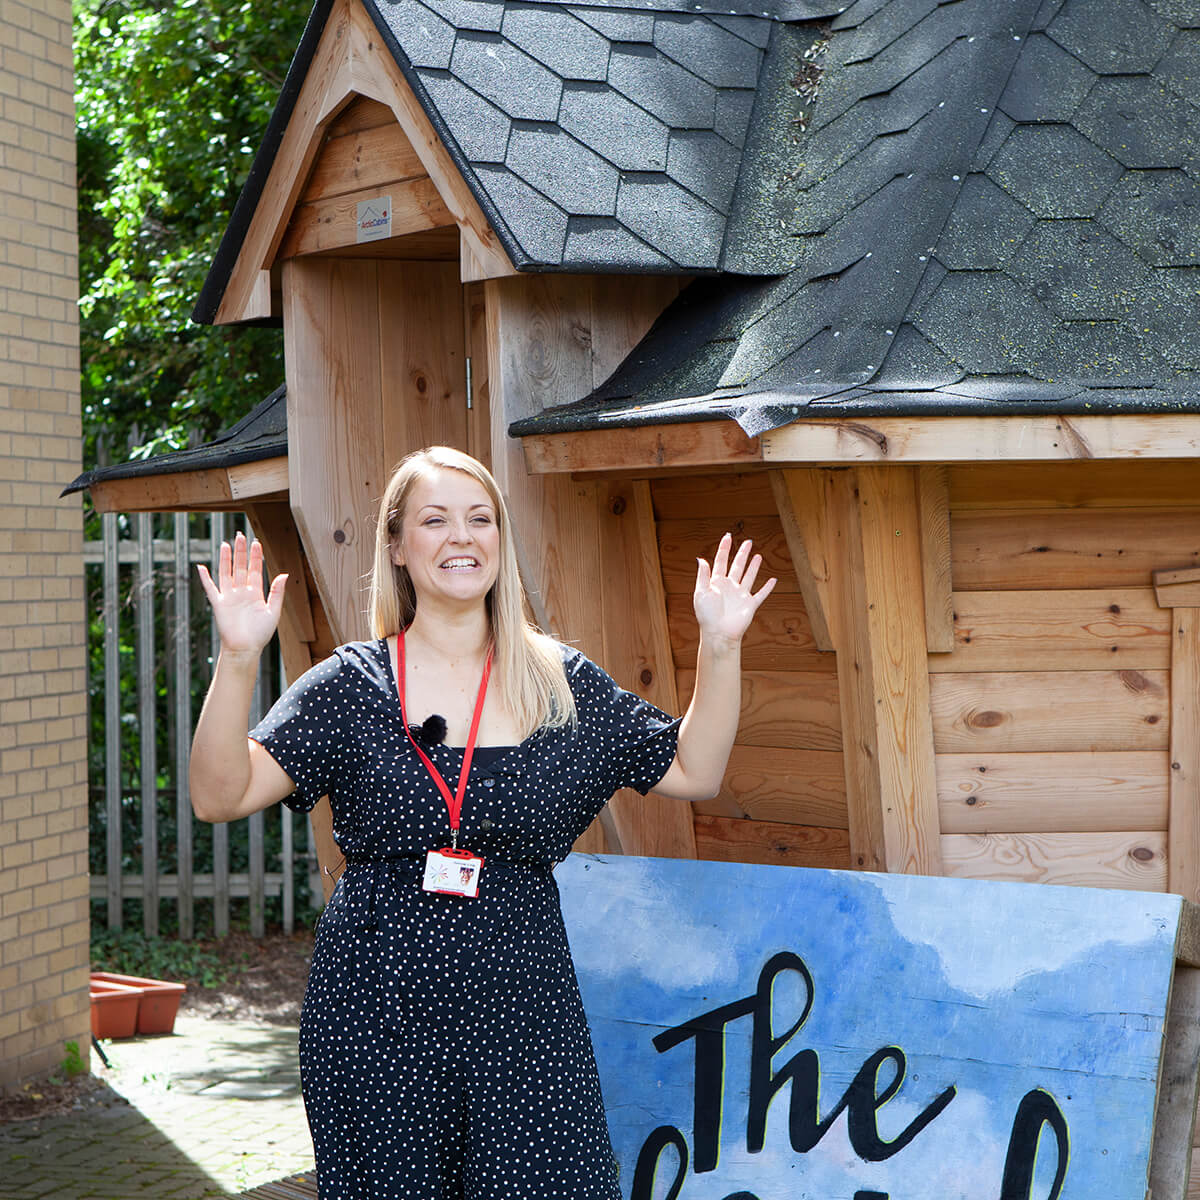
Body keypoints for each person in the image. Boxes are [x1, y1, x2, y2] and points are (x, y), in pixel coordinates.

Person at [190, 446, 775, 1200]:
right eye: (434, 520)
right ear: (398, 547)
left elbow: (694, 769)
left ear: (500, 539)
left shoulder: (559, 683)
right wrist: (238, 659)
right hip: (378, 1014)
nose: (461, 537)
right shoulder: (351, 685)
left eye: (480, 518)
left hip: (523, 1016)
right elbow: (218, 793)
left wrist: (721, 645)